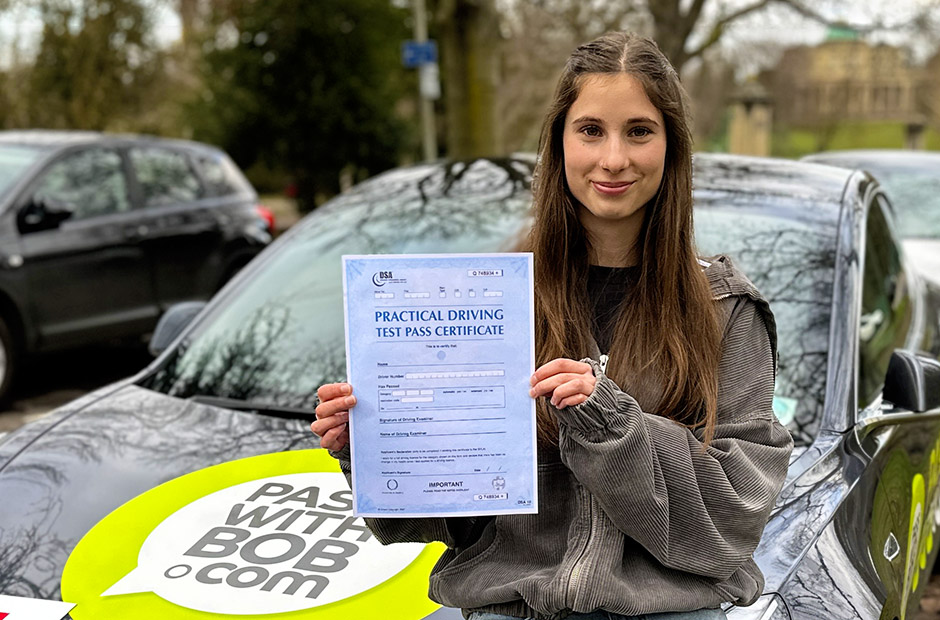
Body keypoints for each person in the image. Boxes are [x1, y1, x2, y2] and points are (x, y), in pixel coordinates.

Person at [312, 31, 793, 620]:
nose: (613, 158)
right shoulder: (486, 300)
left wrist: (614, 425)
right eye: (590, 130)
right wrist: (378, 443)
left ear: (672, 147)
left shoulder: (725, 311)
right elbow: (445, 519)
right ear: (559, 141)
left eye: (639, 131)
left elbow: (733, 524)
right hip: (507, 609)